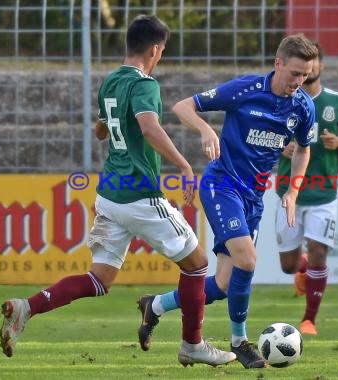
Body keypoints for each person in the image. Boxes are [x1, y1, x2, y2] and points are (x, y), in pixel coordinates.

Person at [0, 15, 236, 368]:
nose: (160, 57)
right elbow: (149, 127)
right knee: (198, 264)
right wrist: (185, 166)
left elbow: (99, 130)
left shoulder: (111, 81)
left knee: (99, 279)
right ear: (155, 49)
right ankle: (193, 344)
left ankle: (27, 307)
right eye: (162, 51)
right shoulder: (145, 84)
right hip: (139, 195)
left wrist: (115, 123)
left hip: (110, 195)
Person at [136, 33, 319, 369]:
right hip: (222, 185)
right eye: (294, 73)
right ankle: (240, 342)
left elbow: (304, 148)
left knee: (223, 284)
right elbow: (183, 106)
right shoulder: (246, 90)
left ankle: (156, 305)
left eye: (305, 75)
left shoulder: (303, 107)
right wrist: (206, 130)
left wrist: (292, 191)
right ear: (278, 63)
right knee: (248, 261)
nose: (299, 81)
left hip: (254, 197)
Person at [275, 42, 338, 336]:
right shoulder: (282, 100)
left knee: (319, 251)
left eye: (313, 66)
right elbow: (263, 138)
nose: (307, 72)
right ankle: (302, 270)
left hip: (324, 192)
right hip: (289, 192)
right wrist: (280, 146)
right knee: (287, 265)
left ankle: (309, 319)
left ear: (320, 67)